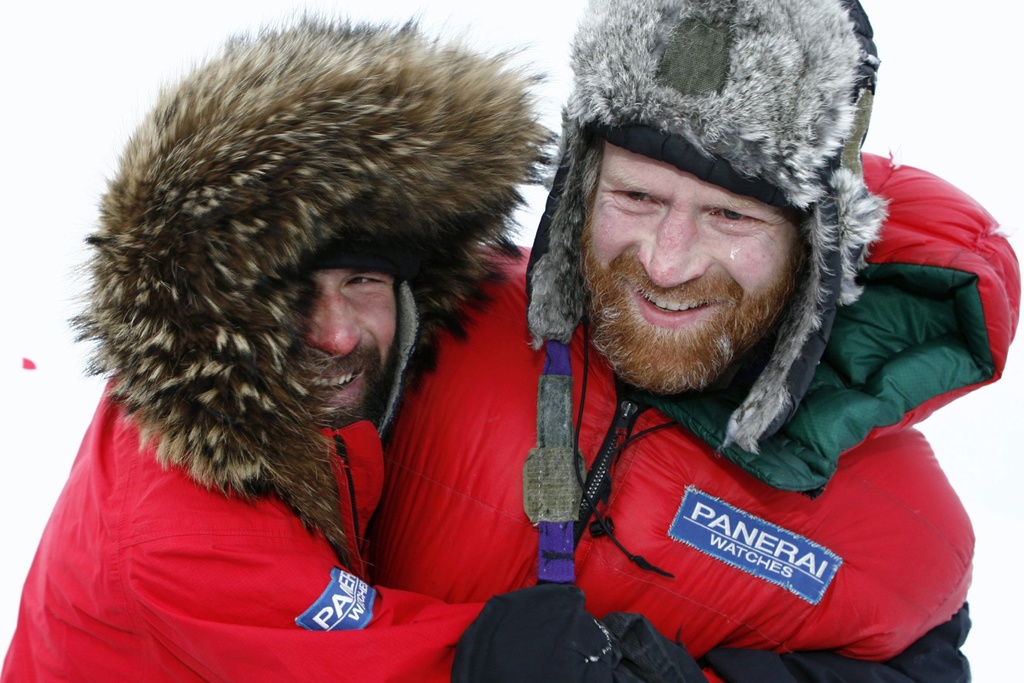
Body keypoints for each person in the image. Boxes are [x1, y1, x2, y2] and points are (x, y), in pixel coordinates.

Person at [368, 0, 1020, 681]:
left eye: (730, 215)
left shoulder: (908, 545)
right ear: (580, 188)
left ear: (814, 246)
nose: (666, 263)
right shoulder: (421, 325)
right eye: (637, 198)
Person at [1, 18, 552, 681]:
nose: (338, 333)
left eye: (364, 281)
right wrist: (566, 655)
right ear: (220, 305)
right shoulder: (183, 527)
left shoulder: (242, 409)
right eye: (293, 291)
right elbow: (389, 664)